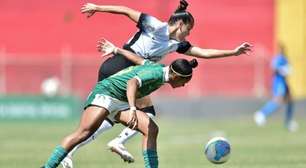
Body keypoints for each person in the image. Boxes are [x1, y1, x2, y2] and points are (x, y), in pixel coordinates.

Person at [61, 0, 252, 166]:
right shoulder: (154, 25)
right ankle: (116, 143)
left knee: (108, 118)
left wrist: (232, 52)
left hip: (128, 72)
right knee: (145, 115)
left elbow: (204, 53)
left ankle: (71, 152)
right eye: (188, 29)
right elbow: (126, 10)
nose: (188, 34)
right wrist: (97, 7)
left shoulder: (176, 44)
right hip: (120, 67)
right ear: (180, 23)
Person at [41, 39, 199, 168]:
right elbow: (132, 83)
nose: (184, 85)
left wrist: (117, 50)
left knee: (151, 130)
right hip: (106, 94)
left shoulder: (159, 70)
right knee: (83, 133)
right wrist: (132, 108)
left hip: (120, 101)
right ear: (177, 77)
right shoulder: (156, 73)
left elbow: (138, 60)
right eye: (185, 81)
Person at [254, 43, 298, 132]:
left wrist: (287, 70)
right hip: (279, 82)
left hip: (284, 82)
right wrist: (284, 70)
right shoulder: (278, 58)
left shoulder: (284, 58)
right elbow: (275, 68)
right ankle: (261, 114)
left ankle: (288, 122)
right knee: (278, 100)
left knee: (290, 101)